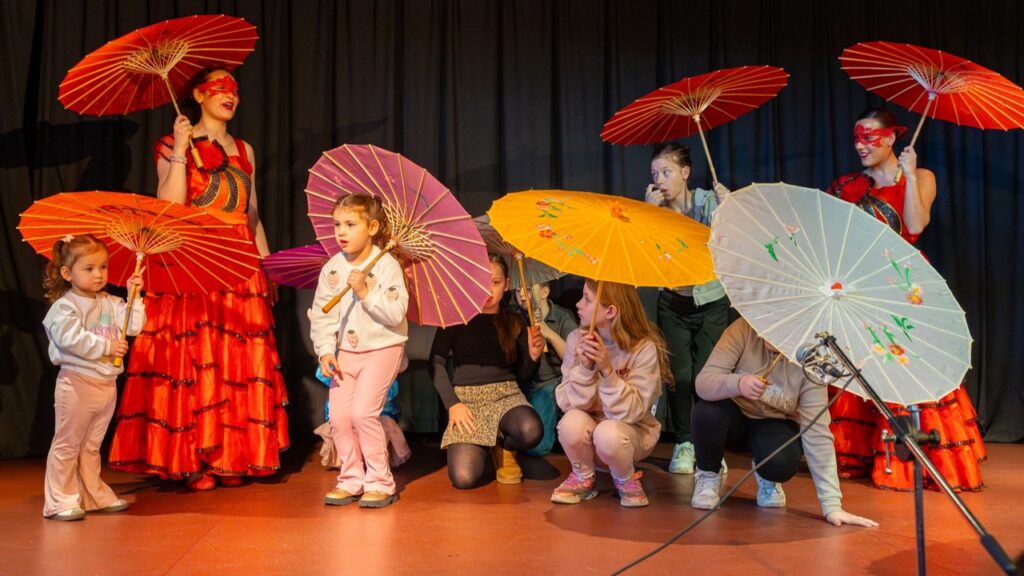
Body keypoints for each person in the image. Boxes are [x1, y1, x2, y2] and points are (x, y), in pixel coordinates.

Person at [109, 68, 290, 490]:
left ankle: (233, 456)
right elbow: (168, 206)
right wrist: (180, 149)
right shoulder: (171, 143)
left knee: (237, 355)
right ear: (198, 95)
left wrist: (267, 264)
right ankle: (195, 459)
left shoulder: (244, 148)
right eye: (219, 88)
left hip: (239, 261)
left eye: (234, 89)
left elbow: (252, 214)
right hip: (195, 258)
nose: (230, 95)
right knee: (197, 353)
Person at [827, 107, 985, 492]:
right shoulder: (848, 185)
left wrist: (910, 176)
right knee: (865, 366)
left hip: (906, 285)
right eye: (857, 138)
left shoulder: (922, 177)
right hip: (864, 286)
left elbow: (915, 224)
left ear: (890, 138)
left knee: (906, 365)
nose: (860, 146)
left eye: (869, 138)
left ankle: (913, 458)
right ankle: (866, 453)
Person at [690, 318, 878, 527]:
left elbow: (817, 432)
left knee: (781, 463)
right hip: (732, 417)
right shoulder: (743, 329)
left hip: (774, 424)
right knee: (706, 414)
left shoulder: (811, 362)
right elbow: (703, 383)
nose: (769, 332)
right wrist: (738, 383)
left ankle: (767, 476)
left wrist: (832, 506)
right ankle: (708, 474)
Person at [310, 194, 409, 508]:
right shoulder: (333, 268)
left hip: (382, 348)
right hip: (346, 353)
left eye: (351, 224)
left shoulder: (387, 265)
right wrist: (326, 351)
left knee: (363, 413)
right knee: (339, 417)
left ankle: (380, 482)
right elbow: (323, 316)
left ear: (373, 227)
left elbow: (396, 314)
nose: (341, 231)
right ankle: (351, 478)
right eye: (337, 224)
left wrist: (366, 292)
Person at [41, 234, 145, 520]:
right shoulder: (65, 306)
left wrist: (134, 297)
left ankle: (93, 495)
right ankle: (59, 500)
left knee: (90, 446)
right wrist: (107, 347)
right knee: (67, 444)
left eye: (103, 267)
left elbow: (133, 326)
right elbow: (69, 339)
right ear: (67, 273)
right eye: (89, 268)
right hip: (77, 383)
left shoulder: (111, 301)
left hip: (106, 384)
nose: (98, 274)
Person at [644, 143, 730, 475]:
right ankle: (684, 442)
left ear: (685, 172)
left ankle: (710, 446)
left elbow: (730, 238)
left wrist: (729, 207)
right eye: (655, 174)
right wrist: (649, 217)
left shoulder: (708, 203)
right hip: (673, 303)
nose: (659, 180)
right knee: (679, 377)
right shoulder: (655, 210)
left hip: (711, 301)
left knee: (707, 378)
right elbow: (646, 256)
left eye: (666, 172)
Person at [429, 255, 545, 488]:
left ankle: (505, 447)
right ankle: (487, 445)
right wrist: (453, 404)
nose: (488, 289)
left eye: (495, 282)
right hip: (467, 401)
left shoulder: (515, 321)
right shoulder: (456, 318)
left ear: (507, 284)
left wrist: (533, 357)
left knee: (531, 430)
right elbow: (435, 364)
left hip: (506, 396)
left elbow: (524, 375)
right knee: (463, 478)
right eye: (481, 281)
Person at [550, 280, 668, 507]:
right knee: (570, 422)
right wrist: (585, 369)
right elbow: (567, 403)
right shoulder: (576, 339)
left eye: (587, 299)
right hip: (590, 430)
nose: (578, 304)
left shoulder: (643, 347)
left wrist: (607, 370)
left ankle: (626, 478)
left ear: (611, 311)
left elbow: (632, 412)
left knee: (608, 433)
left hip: (628, 433)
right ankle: (583, 476)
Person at [513, 281, 578, 456]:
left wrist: (550, 334)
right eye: (518, 290)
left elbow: (576, 360)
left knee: (536, 446)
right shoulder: (515, 319)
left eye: (527, 289)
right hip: (524, 384)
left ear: (545, 292)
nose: (521, 294)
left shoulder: (562, 316)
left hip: (552, 383)